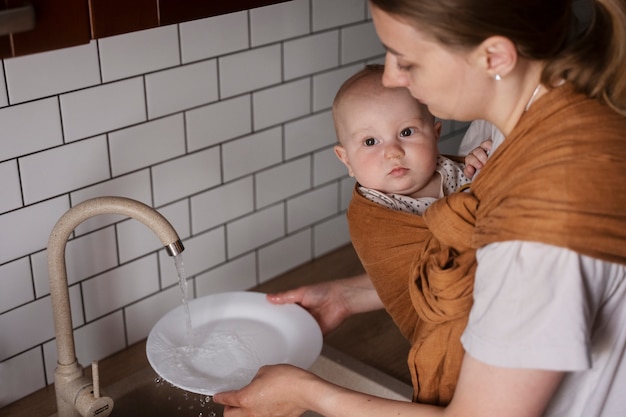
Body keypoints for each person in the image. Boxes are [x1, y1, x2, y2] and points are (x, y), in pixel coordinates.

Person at [213, 0, 626, 416]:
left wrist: (307, 393)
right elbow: (483, 266)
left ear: (495, 56)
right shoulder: (525, 122)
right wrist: (349, 294)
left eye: (406, 60)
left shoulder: (541, 221)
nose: (392, 76)